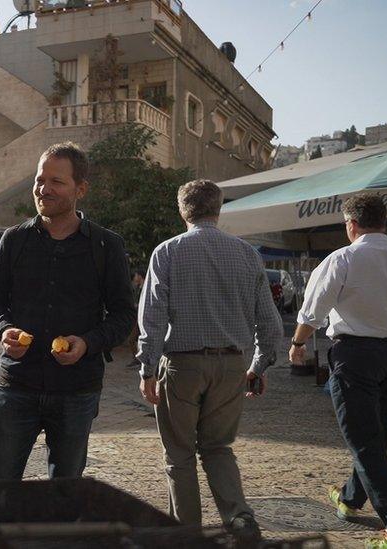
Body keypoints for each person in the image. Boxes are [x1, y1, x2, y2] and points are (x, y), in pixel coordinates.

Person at [137, 180, 282, 539]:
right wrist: (259, 365)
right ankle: (239, 517)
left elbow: (152, 317)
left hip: (183, 364)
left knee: (180, 455)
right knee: (218, 448)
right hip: (232, 363)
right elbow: (269, 322)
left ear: (182, 209)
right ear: (219, 210)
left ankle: (187, 533)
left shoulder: (167, 252)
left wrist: (147, 368)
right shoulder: (248, 254)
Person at [0, 142, 135, 480]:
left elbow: (124, 315)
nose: (43, 189)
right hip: (15, 385)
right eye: (39, 180)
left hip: (76, 390)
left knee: (65, 493)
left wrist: (87, 343)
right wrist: (5, 328)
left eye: (56, 182)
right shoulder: (14, 240)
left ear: (81, 189)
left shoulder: (106, 246)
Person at [291, 194, 387, 548]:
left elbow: (312, 310)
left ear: (351, 224)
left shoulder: (342, 258)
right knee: (374, 434)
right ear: (384, 221)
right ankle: (351, 499)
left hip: (356, 355)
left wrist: (298, 343)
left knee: (365, 443)